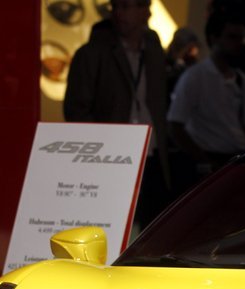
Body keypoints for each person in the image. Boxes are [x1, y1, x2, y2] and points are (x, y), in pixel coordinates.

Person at [64, 0, 171, 231]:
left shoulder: (153, 50)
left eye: (126, 6)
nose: (119, 13)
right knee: (113, 225)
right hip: (110, 156)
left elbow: (160, 103)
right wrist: (98, 149)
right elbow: (77, 111)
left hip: (150, 152)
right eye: (116, 7)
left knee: (150, 227)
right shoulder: (93, 53)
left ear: (145, 11)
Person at [167, 10, 245, 181]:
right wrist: (203, 160)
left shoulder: (241, 79)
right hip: (209, 160)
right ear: (214, 38)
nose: (238, 43)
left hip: (236, 159)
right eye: (232, 37)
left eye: (241, 38)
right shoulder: (195, 76)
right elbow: (175, 124)